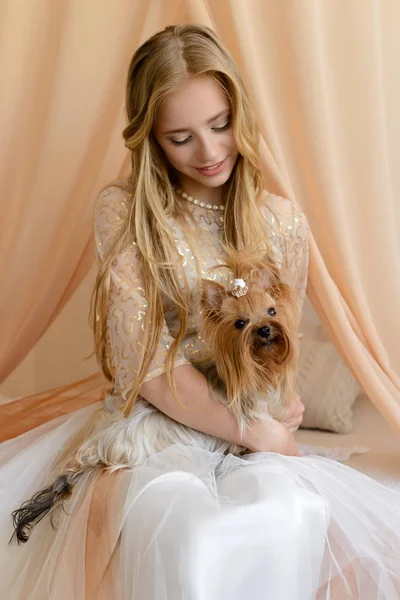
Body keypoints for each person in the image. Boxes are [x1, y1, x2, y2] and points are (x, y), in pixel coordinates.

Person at [0, 23, 400, 600]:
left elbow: (277, 347)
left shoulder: (282, 222)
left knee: (288, 512)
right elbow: (146, 360)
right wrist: (255, 430)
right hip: (158, 426)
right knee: (188, 529)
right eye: (180, 137)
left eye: (220, 125)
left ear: (240, 111)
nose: (211, 152)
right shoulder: (124, 213)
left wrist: (278, 411)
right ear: (150, 139)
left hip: (253, 423)